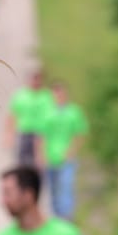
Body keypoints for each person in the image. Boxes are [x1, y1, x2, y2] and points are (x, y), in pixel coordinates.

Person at [36, 80, 89, 220]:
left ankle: (67, 217)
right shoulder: (46, 113)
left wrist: (72, 150)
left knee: (66, 186)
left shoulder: (74, 112)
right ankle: (57, 216)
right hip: (51, 156)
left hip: (67, 157)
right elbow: (41, 136)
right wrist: (41, 156)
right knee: (53, 189)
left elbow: (80, 133)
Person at [5, 69, 55, 168]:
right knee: (21, 161)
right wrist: (9, 134)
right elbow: (13, 115)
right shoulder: (21, 95)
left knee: (38, 163)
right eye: (34, 79)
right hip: (24, 131)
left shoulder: (47, 96)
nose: (36, 82)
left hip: (41, 133)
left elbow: (53, 116)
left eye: (38, 79)